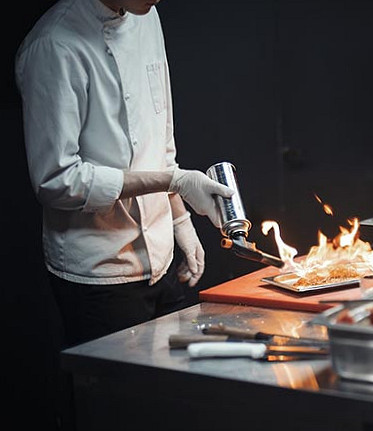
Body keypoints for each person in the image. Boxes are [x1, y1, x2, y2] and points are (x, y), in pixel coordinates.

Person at [15, 0, 234, 348]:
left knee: (171, 378)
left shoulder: (145, 14)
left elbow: (159, 137)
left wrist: (180, 222)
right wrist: (174, 182)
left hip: (161, 260)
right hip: (101, 273)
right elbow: (56, 181)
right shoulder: (53, 45)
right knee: (118, 384)